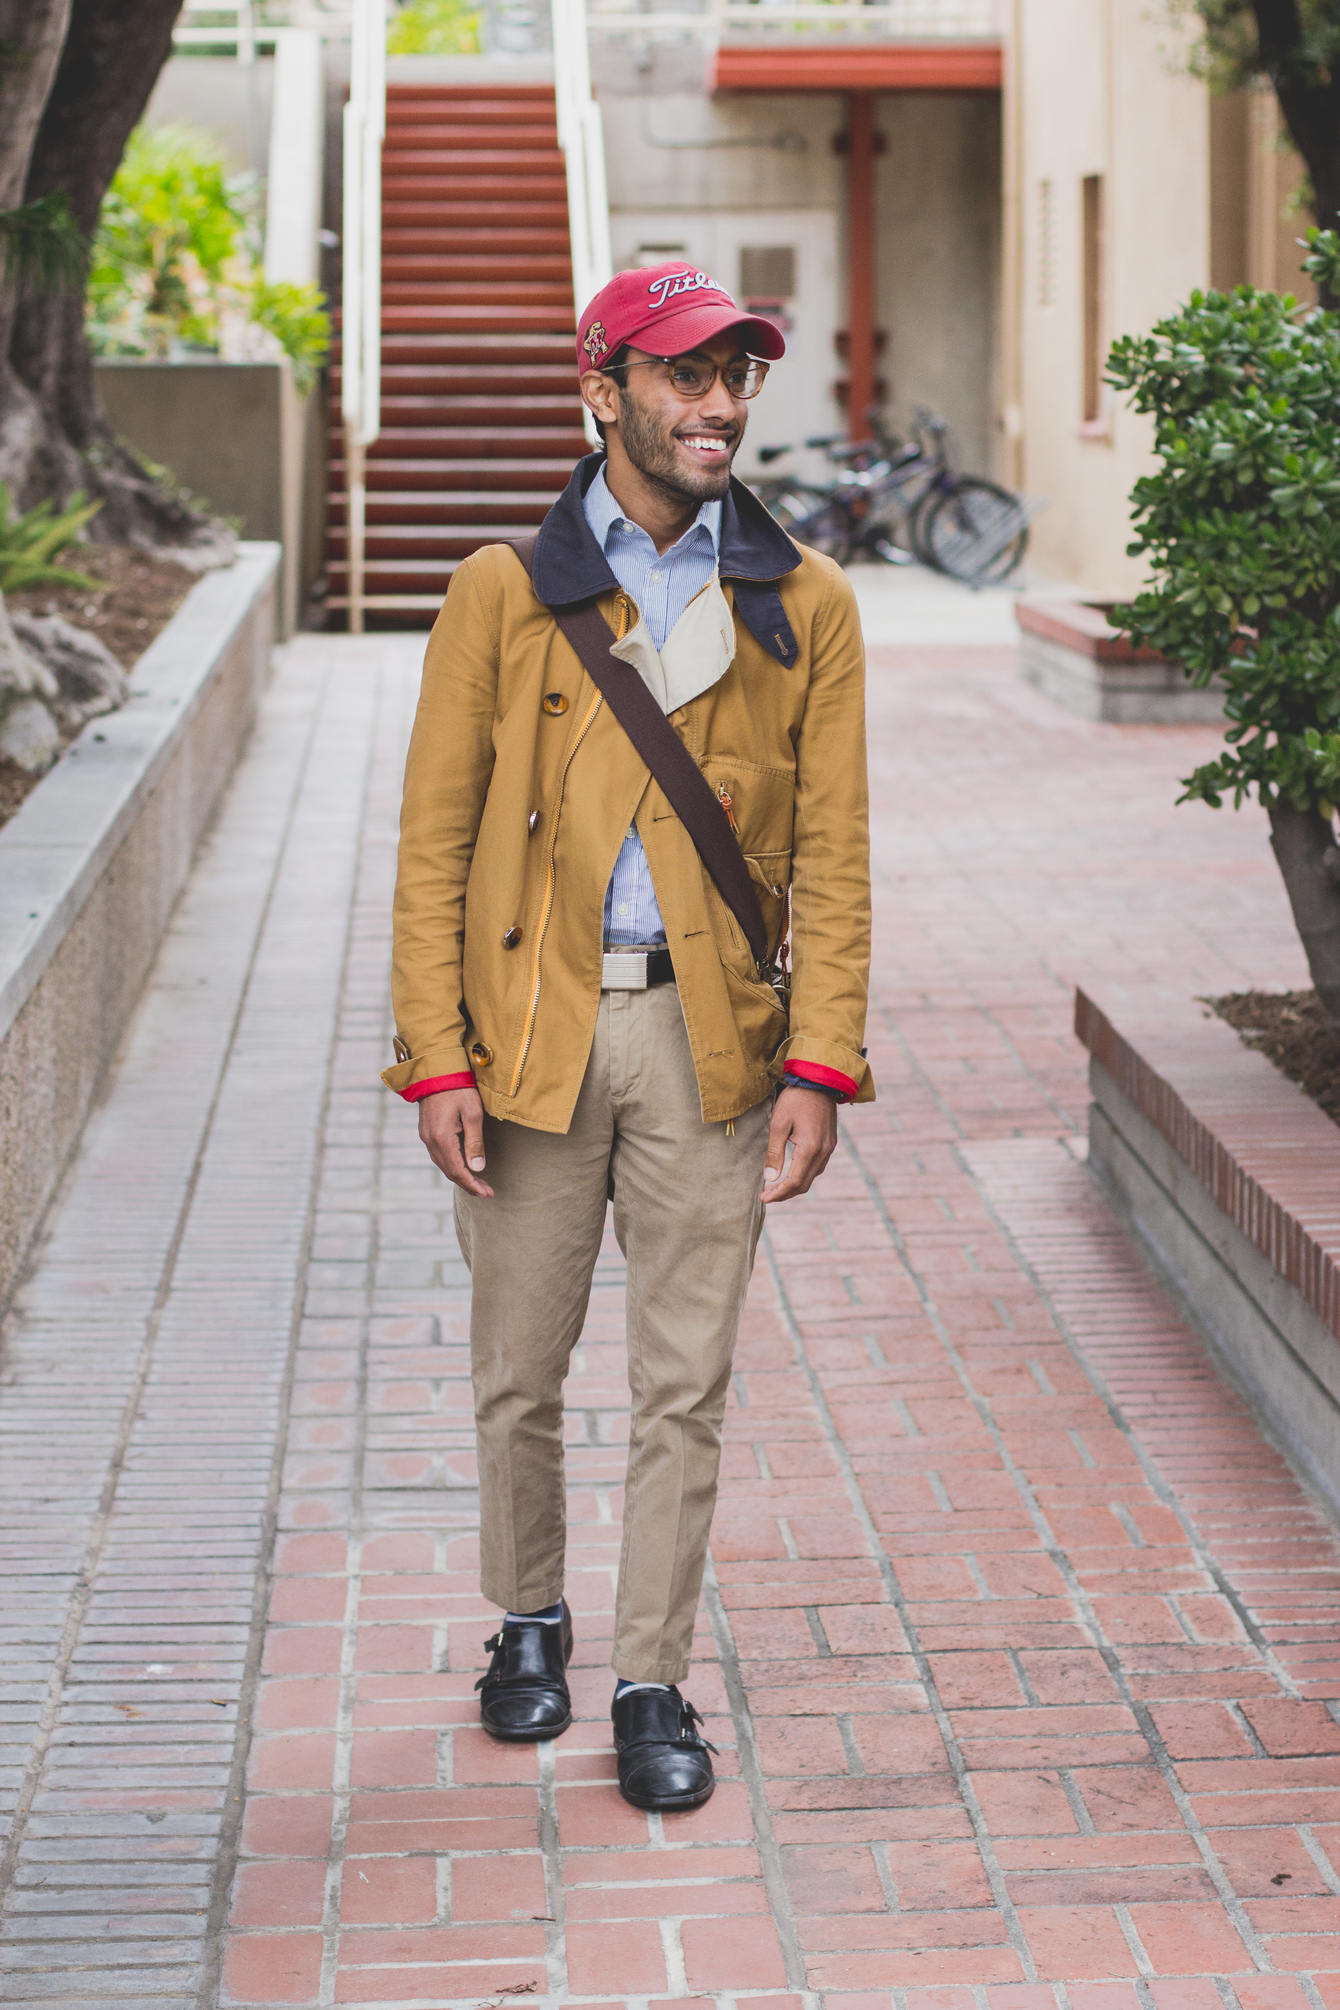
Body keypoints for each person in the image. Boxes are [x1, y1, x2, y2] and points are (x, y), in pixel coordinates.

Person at [383, 262, 872, 1812]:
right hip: (531, 1033)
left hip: (709, 1036)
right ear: (603, 393)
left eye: (737, 372)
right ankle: (528, 1617)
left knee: (686, 1378)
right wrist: (433, 1053)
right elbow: (433, 845)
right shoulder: (500, 590)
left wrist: (822, 1059)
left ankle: (653, 1671)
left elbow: (842, 854)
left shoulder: (808, 602)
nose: (720, 401)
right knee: (520, 1366)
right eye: (682, 374)